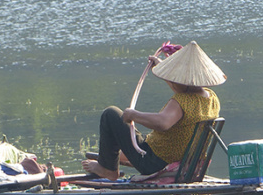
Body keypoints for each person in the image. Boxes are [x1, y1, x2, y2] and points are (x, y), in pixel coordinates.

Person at [82, 41, 225, 180]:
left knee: (111, 114)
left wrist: (133, 115)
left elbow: (162, 123)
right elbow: (183, 87)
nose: (172, 82)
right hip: (182, 159)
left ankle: (108, 169)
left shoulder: (181, 101)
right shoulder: (211, 98)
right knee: (130, 145)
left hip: (154, 162)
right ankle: (113, 159)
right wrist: (160, 67)